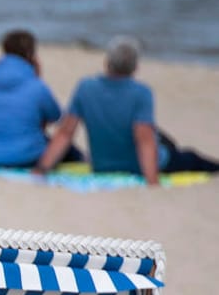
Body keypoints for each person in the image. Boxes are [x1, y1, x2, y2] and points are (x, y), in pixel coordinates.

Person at [34, 36, 219, 184]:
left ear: (107, 62)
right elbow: (144, 140)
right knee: (190, 157)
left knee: (162, 138)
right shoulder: (141, 93)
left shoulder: (85, 88)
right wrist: (152, 181)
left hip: (103, 165)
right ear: (135, 67)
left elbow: (65, 133)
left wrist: (42, 168)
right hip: (136, 166)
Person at [0, 29, 77, 168]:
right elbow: (57, 117)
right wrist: (37, 78)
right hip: (26, 157)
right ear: (31, 55)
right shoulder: (36, 86)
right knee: (67, 146)